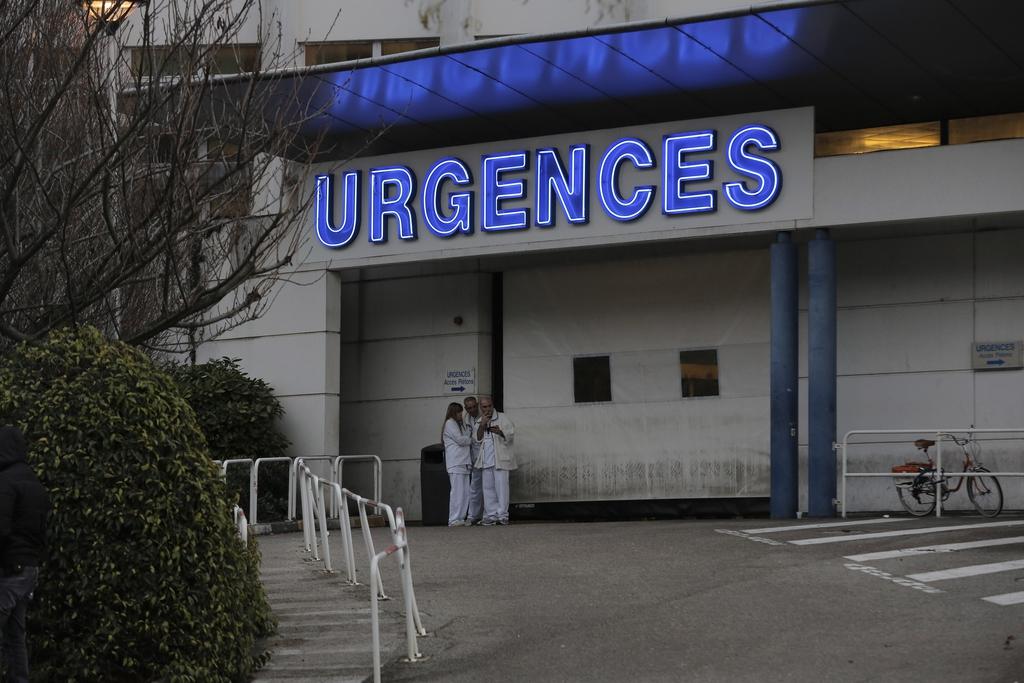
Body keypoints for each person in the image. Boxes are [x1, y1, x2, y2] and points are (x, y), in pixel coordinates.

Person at [0, 426, 49, 683]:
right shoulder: (34, 482)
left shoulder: (6, 482)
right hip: (29, 569)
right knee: (15, 634)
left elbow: (1, 528)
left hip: (10, 569)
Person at [474, 397, 516, 525]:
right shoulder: (479, 421)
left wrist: (500, 432)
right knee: (488, 488)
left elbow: (511, 434)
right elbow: (477, 438)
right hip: (486, 459)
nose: (488, 409)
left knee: (502, 488)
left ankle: (502, 515)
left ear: (492, 405)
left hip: (500, 459)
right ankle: (491, 515)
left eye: (489, 406)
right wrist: (482, 425)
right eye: (484, 407)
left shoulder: (503, 418)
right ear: (481, 408)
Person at [440, 403, 473, 527]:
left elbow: (465, 436)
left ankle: (460, 517)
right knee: (457, 492)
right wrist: (471, 440)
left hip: (464, 462)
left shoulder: (460, 424)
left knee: (465, 492)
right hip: (456, 462)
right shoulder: (450, 423)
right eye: (459, 412)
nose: (461, 414)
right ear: (453, 413)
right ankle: (453, 519)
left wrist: (468, 437)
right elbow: (461, 440)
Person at [462, 396, 484, 525]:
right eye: (469, 408)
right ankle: (472, 515)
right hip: (474, 458)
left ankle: (487, 515)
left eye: (473, 406)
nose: (472, 410)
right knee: (475, 488)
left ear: (477, 404)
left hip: (486, 456)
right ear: (466, 408)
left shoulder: (485, 415)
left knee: (488, 488)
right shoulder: (466, 419)